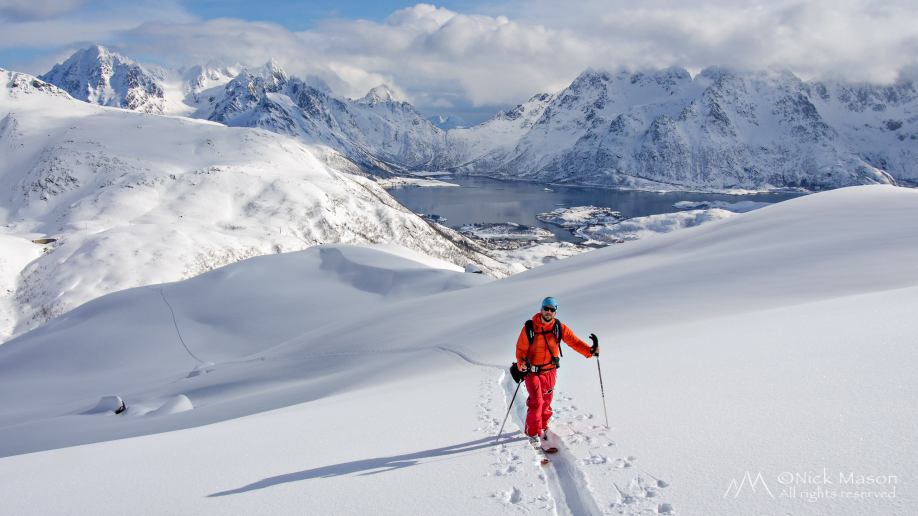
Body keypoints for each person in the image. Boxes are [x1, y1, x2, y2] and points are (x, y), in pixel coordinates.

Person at [515, 296, 598, 451]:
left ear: (555, 312)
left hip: (550, 371)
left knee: (546, 400)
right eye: (546, 308)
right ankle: (532, 432)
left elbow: (574, 341)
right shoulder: (530, 327)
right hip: (533, 372)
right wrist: (522, 364)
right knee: (537, 402)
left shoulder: (559, 327)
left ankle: (544, 425)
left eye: (552, 310)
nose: (548, 312)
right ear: (541, 309)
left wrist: (590, 351)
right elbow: (520, 350)